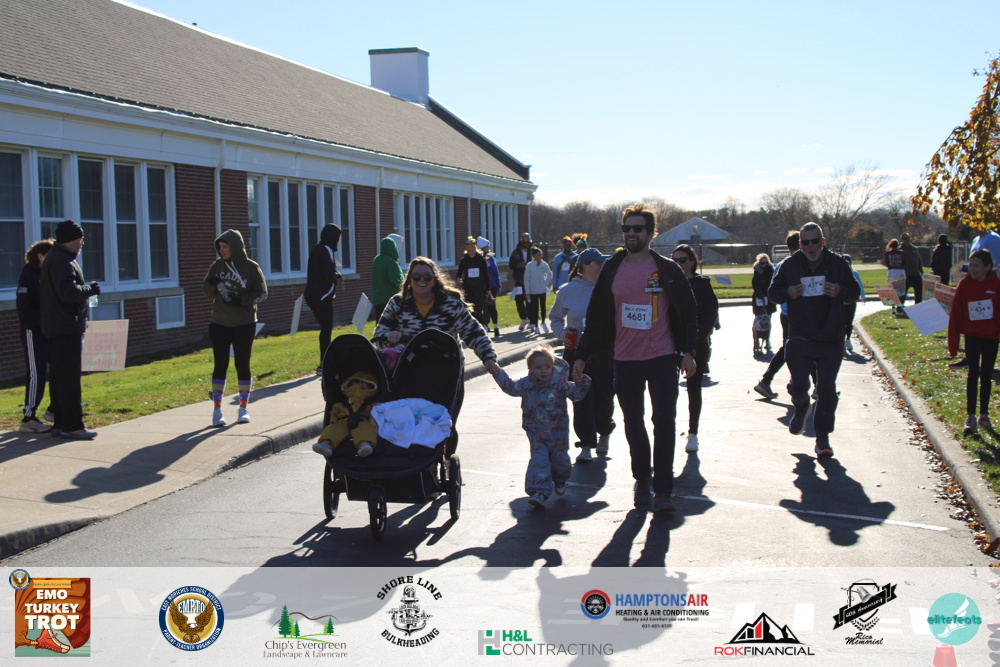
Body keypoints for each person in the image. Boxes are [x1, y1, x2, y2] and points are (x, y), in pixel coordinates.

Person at [573, 202, 699, 514]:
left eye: (638, 229)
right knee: (633, 422)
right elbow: (596, 314)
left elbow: (688, 311)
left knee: (664, 422)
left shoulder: (667, 269)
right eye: (626, 228)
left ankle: (664, 489)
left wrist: (689, 352)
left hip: (661, 356)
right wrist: (582, 355)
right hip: (625, 359)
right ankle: (642, 479)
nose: (631, 233)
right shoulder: (612, 268)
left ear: (651, 233)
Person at [374, 257, 499, 454]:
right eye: (416, 277)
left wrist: (489, 358)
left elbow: (474, 333)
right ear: (410, 280)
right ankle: (410, 457)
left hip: (446, 370)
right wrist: (391, 338)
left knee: (444, 418)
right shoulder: (398, 303)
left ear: (434, 280)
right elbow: (379, 335)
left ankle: (445, 455)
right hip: (409, 371)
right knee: (411, 417)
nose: (421, 281)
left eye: (427, 277)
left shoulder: (450, 304)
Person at [769, 222, 860, 457]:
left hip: (830, 337)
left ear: (823, 241)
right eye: (805, 242)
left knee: (827, 389)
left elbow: (854, 292)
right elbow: (773, 293)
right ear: (800, 244)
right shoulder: (790, 265)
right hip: (800, 336)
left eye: (815, 241)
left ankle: (822, 438)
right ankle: (801, 406)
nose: (811, 246)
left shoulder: (838, 264)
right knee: (798, 385)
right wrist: (788, 293)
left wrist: (840, 291)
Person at [489, 346, 590, 507]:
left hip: (558, 434)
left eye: (547, 367)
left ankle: (560, 480)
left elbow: (577, 394)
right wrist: (497, 372)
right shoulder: (526, 384)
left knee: (561, 462)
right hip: (536, 432)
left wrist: (580, 383)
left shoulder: (559, 384)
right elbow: (510, 387)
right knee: (539, 460)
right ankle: (539, 492)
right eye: (538, 367)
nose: (544, 371)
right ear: (530, 369)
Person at [549, 247, 616, 462]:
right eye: (598, 263)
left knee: (605, 396)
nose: (602, 266)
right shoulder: (567, 291)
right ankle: (586, 443)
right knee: (581, 399)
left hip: (604, 351)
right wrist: (563, 334)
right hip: (576, 352)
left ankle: (604, 431)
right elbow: (555, 318)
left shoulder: (609, 288)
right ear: (584, 267)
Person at [39, 220, 101, 440]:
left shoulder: (57, 257)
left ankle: (60, 423)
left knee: (59, 376)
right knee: (69, 378)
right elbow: (67, 292)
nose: (82, 243)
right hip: (65, 326)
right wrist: (90, 289)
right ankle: (73, 426)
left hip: (58, 326)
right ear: (71, 240)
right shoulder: (61, 261)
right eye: (80, 239)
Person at [203, 229, 268, 427]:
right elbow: (207, 290)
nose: (221, 250)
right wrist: (213, 284)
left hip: (244, 324)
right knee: (220, 364)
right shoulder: (217, 266)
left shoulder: (251, 267)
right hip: (219, 323)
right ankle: (217, 410)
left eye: (225, 247)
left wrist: (241, 300)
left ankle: (243, 408)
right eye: (220, 247)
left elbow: (262, 293)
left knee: (242, 364)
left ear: (235, 247)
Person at [671, 244, 719, 453]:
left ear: (692, 262)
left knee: (693, 389)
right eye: (674, 261)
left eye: (682, 260)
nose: (678, 264)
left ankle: (693, 433)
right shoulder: (669, 284)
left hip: (697, 345)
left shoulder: (702, 285)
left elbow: (710, 316)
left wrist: (694, 344)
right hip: (671, 345)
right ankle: (666, 431)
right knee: (667, 391)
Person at [947, 249, 1000, 435]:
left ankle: (984, 415)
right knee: (973, 373)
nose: (973, 269)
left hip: (991, 337)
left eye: (977, 265)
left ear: (988, 267)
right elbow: (955, 314)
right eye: (971, 265)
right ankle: (970, 417)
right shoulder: (964, 285)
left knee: (986, 375)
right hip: (972, 337)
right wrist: (953, 345)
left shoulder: (996, 284)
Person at [754, 230, 800, 399]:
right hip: (792, 314)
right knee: (791, 348)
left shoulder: (781, 265)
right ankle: (766, 381)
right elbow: (773, 291)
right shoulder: (788, 265)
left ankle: (818, 386)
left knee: (795, 348)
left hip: (788, 313)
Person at [17, 239, 54, 433]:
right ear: (40, 256)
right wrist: (38, 323)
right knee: (36, 373)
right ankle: (28, 417)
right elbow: (24, 306)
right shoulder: (29, 274)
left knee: (59, 368)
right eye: (50, 256)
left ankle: (54, 409)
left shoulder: (48, 274)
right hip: (33, 331)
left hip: (48, 330)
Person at [304, 223, 342, 371]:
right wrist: (337, 277)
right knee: (326, 329)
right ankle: (324, 363)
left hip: (311, 294)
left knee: (324, 328)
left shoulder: (316, 249)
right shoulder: (327, 250)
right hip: (323, 296)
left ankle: (324, 361)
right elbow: (328, 275)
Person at [456, 237, 489, 327]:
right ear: (467, 251)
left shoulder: (481, 260)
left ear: (476, 250)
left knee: (478, 307)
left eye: (473, 250)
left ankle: (480, 325)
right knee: (469, 306)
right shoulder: (464, 260)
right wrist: (459, 279)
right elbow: (459, 273)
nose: (471, 252)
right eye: (469, 250)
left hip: (479, 287)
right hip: (468, 288)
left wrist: (488, 288)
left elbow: (486, 275)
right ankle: (471, 325)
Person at [371, 235, 404, 323]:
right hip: (390, 298)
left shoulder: (376, 260)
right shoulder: (391, 262)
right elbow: (396, 280)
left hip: (377, 299)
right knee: (391, 323)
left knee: (380, 323)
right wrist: (404, 281)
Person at [477, 236, 502, 339]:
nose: (489, 247)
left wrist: (498, 285)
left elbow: (496, 272)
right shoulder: (478, 259)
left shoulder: (491, 258)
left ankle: (496, 327)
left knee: (492, 307)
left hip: (492, 286)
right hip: (481, 287)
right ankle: (484, 326)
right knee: (481, 307)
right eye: (487, 246)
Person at [524, 246, 552, 335]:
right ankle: (536, 326)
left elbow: (550, 274)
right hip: (533, 291)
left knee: (543, 307)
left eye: (541, 255)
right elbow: (526, 279)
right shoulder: (529, 265)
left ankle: (543, 322)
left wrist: (545, 283)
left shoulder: (544, 264)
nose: (540, 257)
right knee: (535, 309)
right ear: (534, 256)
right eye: (539, 255)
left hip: (542, 290)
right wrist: (527, 292)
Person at [751, 253, 776, 352]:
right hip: (759, 297)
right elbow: (755, 284)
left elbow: (773, 283)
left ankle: (767, 340)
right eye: (762, 263)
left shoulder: (771, 271)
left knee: (768, 320)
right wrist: (759, 294)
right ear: (759, 263)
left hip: (769, 298)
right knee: (758, 319)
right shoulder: (757, 271)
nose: (764, 265)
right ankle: (756, 339)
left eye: (766, 263)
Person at [841, 254, 865, 354]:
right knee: (841, 323)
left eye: (848, 263)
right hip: (841, 302)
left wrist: (862, 296)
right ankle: (842, 341)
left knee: (849, 322)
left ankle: (848, 339)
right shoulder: (838, 274)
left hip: (851, 302)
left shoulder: (855, 274)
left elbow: (859, 285)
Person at [509, 233, 532, 330]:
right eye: (524, 242)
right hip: (519, 280)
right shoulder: (516, 252)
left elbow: (540, 261)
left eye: (528, 242)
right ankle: (523, 318)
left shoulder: (533, 251)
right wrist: (519, 265)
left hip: (530, 281)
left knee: (529, 301)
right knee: (519, 300)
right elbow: (511, 265)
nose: (526, 244)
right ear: (521, 241)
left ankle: (531, 320)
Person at [901, 233, 924, 305]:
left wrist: (921, 271)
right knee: (903, 293)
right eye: (905, 238)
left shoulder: (914, 248)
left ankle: (918, 306)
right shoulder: (901, 249)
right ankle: (901, 307)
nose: (907, 239)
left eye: (908, 238)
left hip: (916, 274)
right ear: (902, 240)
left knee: (919, 293)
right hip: (906, 275)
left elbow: (919, 260)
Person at [883, 239, 905, 313]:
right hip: (900, 271)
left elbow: (886, 263)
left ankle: (893, 308)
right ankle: (899, 306)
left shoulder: (888, 253)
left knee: (892, 290)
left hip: (892, 272)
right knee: (900, 290)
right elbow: (904, 262)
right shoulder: (901, 253)